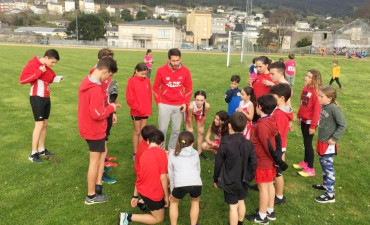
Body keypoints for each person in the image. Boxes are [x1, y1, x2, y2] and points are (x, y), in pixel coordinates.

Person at [78, 57, 119, 205]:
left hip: (89, 127)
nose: (108, 79)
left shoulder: (87, 80)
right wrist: (111, 108)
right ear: (105, 71)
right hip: (94, 130)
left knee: (98, 159)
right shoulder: (94, 89)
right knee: (94, 163)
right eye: (108, 75)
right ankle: (91, 196)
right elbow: (97, 114)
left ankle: (96, 189)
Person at [246, 95, 287, 224]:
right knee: (269, 185)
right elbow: (278, 139)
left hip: (264, 162)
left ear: (259, 107)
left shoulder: (262, 125)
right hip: (270, 161)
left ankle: (262, 216)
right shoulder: (271, 119)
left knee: (263, 188)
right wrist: (277, 159)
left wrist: (277, 161)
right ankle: (270, 210)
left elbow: (268, 146)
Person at [214, 112, 257, 225]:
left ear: (229, 125)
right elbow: (254, 163)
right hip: (243, 179)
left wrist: (216, 178)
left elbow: (218, 162)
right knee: (241, 201)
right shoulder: (249, 144)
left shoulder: (225, 142)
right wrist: (249, 177)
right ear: (244, 127)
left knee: (233, 206)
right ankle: (240, 222)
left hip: (230, 180)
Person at [119, 129, 169, 225]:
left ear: (148, 141)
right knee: (159, 218)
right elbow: (163, 178)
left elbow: (139, 177)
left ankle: (143, 202)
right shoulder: (162, 154)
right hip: (153, 194)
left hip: (142, 190)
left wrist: (135, 196)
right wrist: (166, 197)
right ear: (162, 143)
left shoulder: (144, 154)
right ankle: (127, 217)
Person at [19, 49, 60, 163]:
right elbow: (22, 80)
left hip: (46, 98)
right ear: (46, 58)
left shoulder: (46, 67)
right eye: (52, 62)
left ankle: (41, 150)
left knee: (45, 124)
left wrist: (56, 78)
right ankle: (33, 153)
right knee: (39, 124)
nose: (53, 65)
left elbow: (50, 77)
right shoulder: (34, 65)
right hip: (37, 98)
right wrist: (38, 72)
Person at [153, 48, 193, 150]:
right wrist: (159, 103)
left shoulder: (186, 71)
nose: (176, 63)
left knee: (176, 130)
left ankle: (171, 151)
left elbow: (189, 88)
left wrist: (185, 103)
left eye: (177, 60)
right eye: (173, 60)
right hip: (165, 104)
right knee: (162, 130)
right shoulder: (161, 70)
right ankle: (162, 151)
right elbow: (155, 88)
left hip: (179, 105)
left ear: (180, 59)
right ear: (169, 60)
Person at [313, 86, 346, 203]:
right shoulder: (325, 106)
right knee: (323, 164)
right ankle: (325, 185)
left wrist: (334, 138)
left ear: (330, 98)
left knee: (328, 168)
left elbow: (342, 125)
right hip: (322, 141)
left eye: (321, 96)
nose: (319, 98)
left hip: (328, 143)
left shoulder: (334, 109)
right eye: (319, 95)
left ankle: (330, 195)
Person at [89, 48, 117, 185]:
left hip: (107, 111)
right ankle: (102, 174)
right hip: (101, 113)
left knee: (105, 142)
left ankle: (103, 166)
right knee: (101, 146)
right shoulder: (94, 76)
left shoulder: (108, 75)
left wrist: (113, 111)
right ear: (100, 60)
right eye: (108, 59)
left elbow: (110, 93)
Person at [168, 131, 203, 225]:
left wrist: (172, 191)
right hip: (196, 183)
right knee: (195, 202)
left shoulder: (172, 155)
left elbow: (171, 174)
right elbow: (198, 169)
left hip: (180, 184)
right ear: (192, 143)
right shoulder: (196, 153)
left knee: (174, 203)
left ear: (178, 142)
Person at [293, 69, 323, 177]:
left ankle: (310, 168)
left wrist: (313, 125)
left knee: (308, 144)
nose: (306, 78)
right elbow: (302, 104)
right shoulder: (305, 88)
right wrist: (298, 116)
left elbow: (317, 111)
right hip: (304, 120)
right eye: (307, 76)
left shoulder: (316, 92)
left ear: (315, 80)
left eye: (310, 77)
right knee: (305, 142)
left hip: (311, 122)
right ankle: (305, 162)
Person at [270, 84, 293, 205]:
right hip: (279, 144)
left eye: (274, 97)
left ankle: (279, 196)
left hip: (277, 145)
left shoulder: (279, 114)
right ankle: (273, 188)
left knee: (277, 171)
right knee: (275, 169)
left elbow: (276, 131)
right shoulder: (281, 109)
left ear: (282, 98)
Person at [126, 63, 152, 160]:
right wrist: (138, 108)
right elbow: (130, 98)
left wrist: (148, 109)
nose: (144, 76)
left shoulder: (147, 81)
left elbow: (149, 96)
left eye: (145, 74)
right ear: (136, 71)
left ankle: (141, 151)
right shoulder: (131, 81)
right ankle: (135, 153)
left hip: (145, 111)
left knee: (143, 131)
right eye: (142, 74)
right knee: (137, 131)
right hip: (136, 111)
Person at [134, 125, 159, 211]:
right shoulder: (148, 148)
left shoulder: (143, 143)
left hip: (140, 169)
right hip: (144, 171)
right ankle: (142, 201)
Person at [185, 90, 210, 159]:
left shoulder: (207, 106)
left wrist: (201, 126)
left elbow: (204, 116)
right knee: (190, 132)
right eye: (197, 100)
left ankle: (199, 152)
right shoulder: (191, 106)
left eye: (201, 100)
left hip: (199, 113)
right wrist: (190, 127)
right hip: (190, 113)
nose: (199, 102)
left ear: (205, 100)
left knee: (201, 132)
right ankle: (190, 151)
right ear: (194, 99)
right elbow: (190, 118)